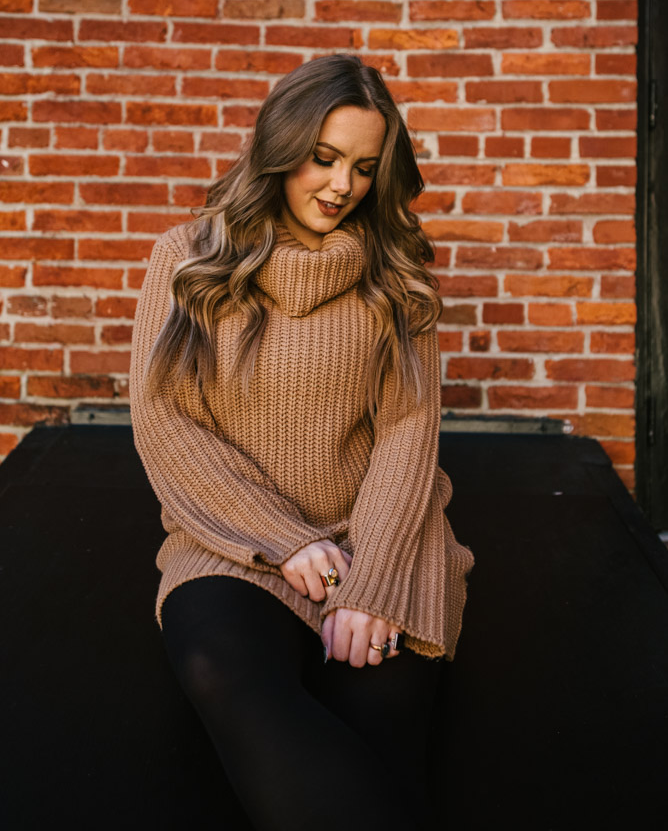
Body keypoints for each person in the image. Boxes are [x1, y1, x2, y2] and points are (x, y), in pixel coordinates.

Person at [129, 53, 475, 831]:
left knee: (383, 710)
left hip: (375, 537)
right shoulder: (188, 258)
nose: (342, 184)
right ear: (280, 148)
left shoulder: (395, 276)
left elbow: (408, 435)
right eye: (323, 157)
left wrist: (374, 582)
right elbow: (165, 420)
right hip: (231, 538)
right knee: (218, 666)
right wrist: (283, 539)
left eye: (363, 167)